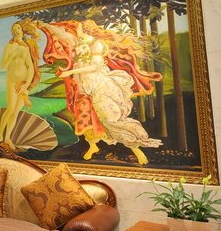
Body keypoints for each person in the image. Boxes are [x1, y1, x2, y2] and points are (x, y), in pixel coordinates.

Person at [37, 20, 162, 165]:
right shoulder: (77, 41)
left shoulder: (97, 44)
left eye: (83, 28)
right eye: (81, 28)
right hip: (83, 87)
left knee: (110, 119)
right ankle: (93, 146)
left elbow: (94, 67)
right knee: (83, 117)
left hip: (99, 85)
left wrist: (70, 72)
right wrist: (46, 26)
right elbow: (61, 34)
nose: (79, 30)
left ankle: (136, 148)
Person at [0, 21, 39, 148]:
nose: (17, 30)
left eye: (18, 28)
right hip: (12, 81)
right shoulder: (9, 46)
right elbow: (3, 65)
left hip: (23, 83)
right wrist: (13, 54)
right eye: (14, 29)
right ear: (12, 32)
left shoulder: (26, 47)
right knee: (10, 109)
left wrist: (26, 84)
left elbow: (30, 67)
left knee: (16, 111)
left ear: (22, 30)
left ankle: (7, 138)